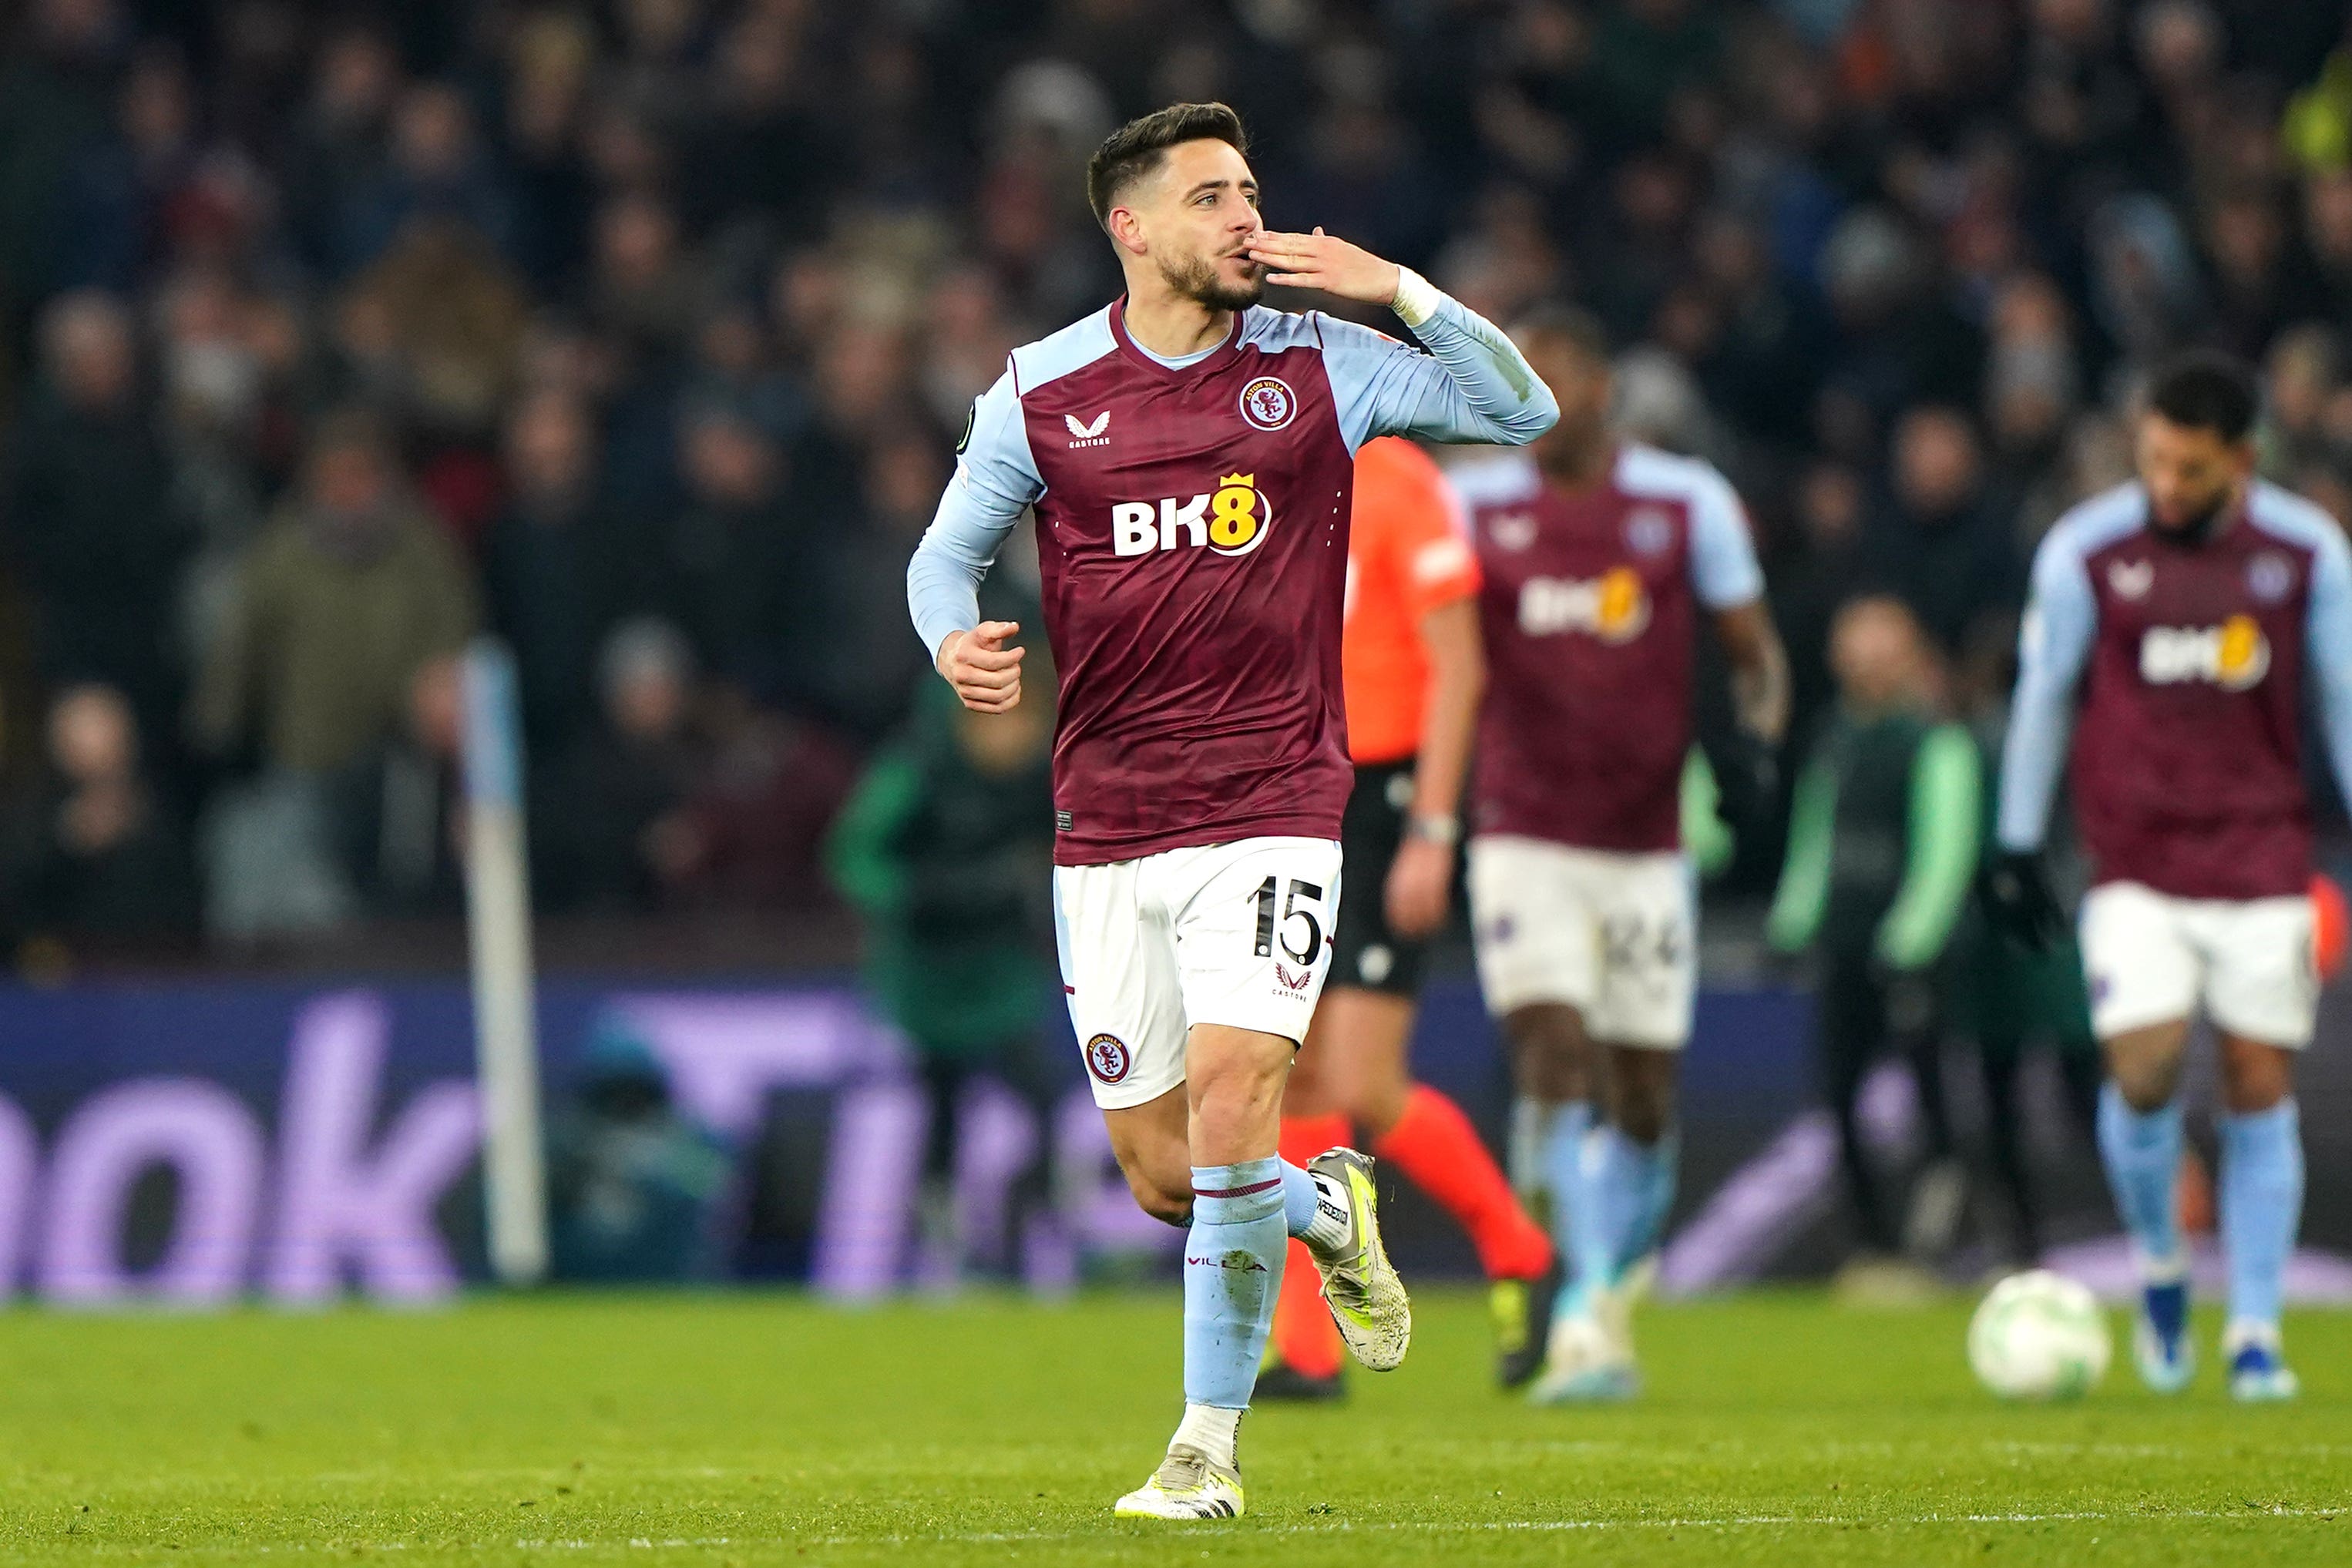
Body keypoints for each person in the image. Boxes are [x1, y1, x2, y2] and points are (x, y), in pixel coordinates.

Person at [906, 102, 1556, 1519]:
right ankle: (1329, 1204)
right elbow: (941, 558)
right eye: (1210, 197)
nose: (1244, 217)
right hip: (1105, 819)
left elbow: (1523, 410)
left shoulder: (1323, 364)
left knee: (1229, 1105)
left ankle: (1203, 1447)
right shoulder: (1044, 387)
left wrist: (1395, 288)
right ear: (1128, 227)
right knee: (1163, 1175)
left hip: (1273, 801)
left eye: (1251, 190)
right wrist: (949, 640)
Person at [1987, 352, 2352, 1402]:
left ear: (2242, 459)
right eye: (2154, 461)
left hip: (2265, 856)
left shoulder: (2306, 551)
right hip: (2137, 863)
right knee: (2144, 1071)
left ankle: (2254, 1331)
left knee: (2257, 1081)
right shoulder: (2087, 549)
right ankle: (2159, 1267)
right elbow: (2046, 692)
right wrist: (2018, 842)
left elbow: (2341, 700)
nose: (2166, 486)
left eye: (2190, 469)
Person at [1455, 307, 1787, 1405]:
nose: (1544, 396)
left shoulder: (1685, 503)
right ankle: (1572, 1297)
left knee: (1642, 1091)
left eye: (1563, 375)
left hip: (1648, 841)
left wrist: (1758, 747)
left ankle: (1600, 1289)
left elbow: (1753, 654)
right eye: (1524, 377)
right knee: (1554, 1055)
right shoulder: (1474, 508)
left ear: (1606, 390)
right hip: (1522, 830)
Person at [1262, 435, 1555, 1403]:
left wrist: (1434, 826)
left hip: (1386, 801)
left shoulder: (1397, 477)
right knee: (1294, 1074)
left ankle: (1517, 1248)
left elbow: (1458, 666)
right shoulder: (1258, 468)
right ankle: (1308, 1350)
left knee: (1364, 1082)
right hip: (1294, 791)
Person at [1766, 596, 1982, 1282]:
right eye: (1857, 651)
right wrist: (1794, 920)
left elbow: (1947, 849)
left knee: (1928, 1093)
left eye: (1882, 652)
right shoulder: (1834, 736)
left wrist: (1914, 936)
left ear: (1911, 658)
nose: (1867, 666)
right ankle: (1872, 1243)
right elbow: (1815, 836)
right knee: (1837, 1096)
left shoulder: (1935, 742)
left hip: (1910, 955)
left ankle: (1943, 1229)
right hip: (1844, 945)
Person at [825, 676, 1060, 1283]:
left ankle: (1020, 1230)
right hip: (929, 971)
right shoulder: (917, 771)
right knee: (942, 1106)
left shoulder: (1038, 779)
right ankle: (943, 1243)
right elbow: (855, 855)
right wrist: (921, 897)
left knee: (1040, 1097)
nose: (1009, 736)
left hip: (1000, 967)